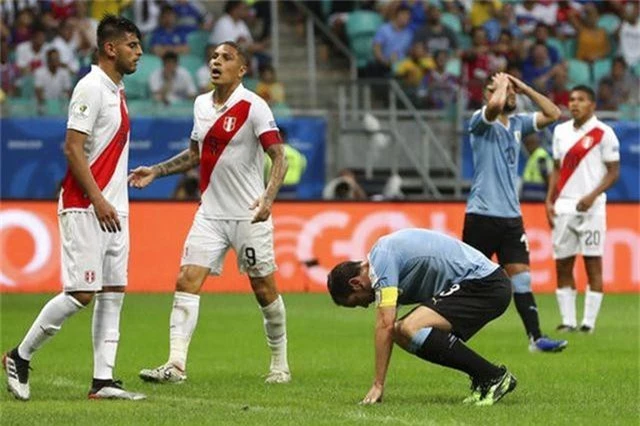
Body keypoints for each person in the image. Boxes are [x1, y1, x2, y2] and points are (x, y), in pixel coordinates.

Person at [129, 41, 291, 384]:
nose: (216, 62)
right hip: (210, 214)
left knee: (263, 290)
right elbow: (194, 155)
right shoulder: (201, 104)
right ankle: (175, 365)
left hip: (249, 213)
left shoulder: (254, 106)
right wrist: (156, 171)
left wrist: (268, 199)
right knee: (186, 279)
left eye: (226, 58)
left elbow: (279, 156)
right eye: (214, 56)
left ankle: (280, 363)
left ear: (242, 69)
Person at [2, 15, 145, 401]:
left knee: (113, 291)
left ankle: (103, 381)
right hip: (86, 205)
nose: (140, 53)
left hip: (116, 208)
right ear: (110, 48)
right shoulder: (90, 87)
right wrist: (98, 198)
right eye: (133, 45)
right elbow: (71, 147)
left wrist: (113, 198)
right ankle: (20, 355)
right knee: (81, 293)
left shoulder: (117, 91)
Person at [327, 228, 517, 406]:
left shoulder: (382, 259)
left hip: (486, 284)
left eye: (356, 302)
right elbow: (390, 327)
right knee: (401, 331)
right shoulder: (385, 265)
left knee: (410, 328)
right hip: (481, 286)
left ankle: (493, 377)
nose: (364, 305)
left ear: (356, 283)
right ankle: (484, 378)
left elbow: (384, 324)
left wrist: (378, 385)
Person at [463, 72, 568, 353]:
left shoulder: (518, 123)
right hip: (481, 215)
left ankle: (535, 338)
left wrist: (524, 87)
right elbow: (494, 108)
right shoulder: (479, 121)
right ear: (489, 94)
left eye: (512, 91)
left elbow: (554, 112)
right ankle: (447, 328)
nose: (510, 95)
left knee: (521, 277)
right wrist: (500, 88)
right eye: (504, 90)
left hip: (511, 218)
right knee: (467, 281)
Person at [545, 85, 620, 333]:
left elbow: (613, 172)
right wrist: (549, 200)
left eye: (581, 100)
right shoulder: (560, 132)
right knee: (563, 264)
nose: (574, 103)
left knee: (592, 263)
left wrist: (592, 195)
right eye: (572, 99)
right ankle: (568, 321)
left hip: (592, 208)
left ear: (592, 105)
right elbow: (556, 169)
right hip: (564, 205)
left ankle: (588, 324)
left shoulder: (604, 133)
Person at [520, 134, 553, 201]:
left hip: (538, 197)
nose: (527, 147)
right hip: (531, 197)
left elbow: (547, 175)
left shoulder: (540, 156)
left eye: (529, 144)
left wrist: (550, 197)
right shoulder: (534, 156)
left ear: (535, 143)